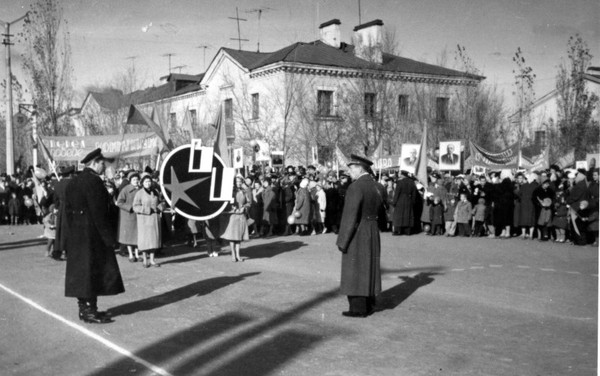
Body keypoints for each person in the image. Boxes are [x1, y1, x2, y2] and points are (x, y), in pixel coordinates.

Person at [64, 148, 124, 324]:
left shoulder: (74, 182)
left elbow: (66, 211)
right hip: (93, 235)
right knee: (93, 273)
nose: (104, 167)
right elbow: (99, 213)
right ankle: (90, 311)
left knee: (82, 273)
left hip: (77, 235)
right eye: (103, 164)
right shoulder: (94, 182)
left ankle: (85, 310)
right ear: (95, 163)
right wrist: (109, 238)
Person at [336, 154, 384, 318]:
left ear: (359, 168)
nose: (349, 172)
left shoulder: (355, 187)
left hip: (358, 232)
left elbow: (350, 216)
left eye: (351, 168)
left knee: (355, 269)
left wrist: (342, 241)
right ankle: (370, 304)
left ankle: (358, 308)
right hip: (372, 230)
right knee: (368, 267)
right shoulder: (376, 186)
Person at [133, 173, 164, 268]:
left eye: (149, 181)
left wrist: (160, 208)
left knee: (154, 240)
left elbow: (162, 202)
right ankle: (145, 260)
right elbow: (135, 206)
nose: (148, 183)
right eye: (146, 181)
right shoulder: (139, 193)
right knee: (145, 241)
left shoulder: (155, 192)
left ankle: (152, 260)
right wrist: (147, 210)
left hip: (154, 220)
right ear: (142, 183)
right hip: (144, 221)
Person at [220, 176, 250, 262]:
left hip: (241, 216)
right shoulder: (230, 192)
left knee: (239, 237)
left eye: (240, 182)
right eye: (237, 182)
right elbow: (226, 203)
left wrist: (245, 207)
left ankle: (238, 254)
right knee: (232, 236)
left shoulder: (244, 192)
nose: (239, 183)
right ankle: (233, 254)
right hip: (233, 216)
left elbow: (248, 203)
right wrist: (232, 208)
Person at [116, 172, 140, 262]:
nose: (136, 181)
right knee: (129, 237)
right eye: (134, 180)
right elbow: (119, 202)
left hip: (138, 216)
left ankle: (137, 254)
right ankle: (131, 254)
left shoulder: (140, 189)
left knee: (137, 236)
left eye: (137, 179)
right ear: (130, 181)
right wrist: (130, 207)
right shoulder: (125, 190)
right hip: (129, 216)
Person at [392, 170, 417, 235]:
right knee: (407, 216)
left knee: (399, 216)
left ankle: (398, 231)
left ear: (403, 175)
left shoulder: (400, 182)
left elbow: (397, 193)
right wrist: (413, 202)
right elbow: (414, 194)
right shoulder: (412, 182)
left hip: (400, 200)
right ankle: (407, 231)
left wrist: (394, 202)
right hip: (409, 200)